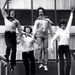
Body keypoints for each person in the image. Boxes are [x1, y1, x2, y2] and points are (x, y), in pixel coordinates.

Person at [50, 7, 74, 75]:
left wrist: (72, 12)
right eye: (62, 25)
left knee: (69, 62)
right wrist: (51, 47)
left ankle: (67, 74)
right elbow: (52, 40)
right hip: (60, 48)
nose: (63, 26)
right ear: (60, 25)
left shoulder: (67, 30)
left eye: (64, 25)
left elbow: (70, 21)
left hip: (66, 47)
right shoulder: (58, 32)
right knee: (62, 62)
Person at [1, 0, 23, 72]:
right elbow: (2, 8)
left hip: (13, 35)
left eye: (14, 13)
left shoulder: (16, 21)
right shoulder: (6, 17)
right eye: (11, 13)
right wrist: (6, 2)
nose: (12, 13)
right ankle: (6, 59)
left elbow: (20, 30)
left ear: (15, 14)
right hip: (7, 34)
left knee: (14, 51)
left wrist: (20, 38)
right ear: (9, 13)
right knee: (9, 46)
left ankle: (12, 66)